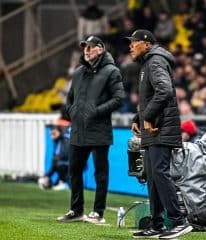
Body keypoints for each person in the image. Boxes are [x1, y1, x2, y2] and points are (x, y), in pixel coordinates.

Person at [126, 29, 193, 239]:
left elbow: (164, 91)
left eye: (134, 42)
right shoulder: (148, 63)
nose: (130, 46)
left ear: (146, 44)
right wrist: (139, 118)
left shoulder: (154, 61)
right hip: (154, 126)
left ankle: (179, 221)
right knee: (153, 176)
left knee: (160, 173)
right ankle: (157, 224)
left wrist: (148, 116)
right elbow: (153, 96)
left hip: (161, 127)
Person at [57, 36, 125, 223]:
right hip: (78, 129)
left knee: (100, 173)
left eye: (91, 47)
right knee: (74, 170)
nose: (86, 50)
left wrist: (96, 111)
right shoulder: (78, 73)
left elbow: (119, 98)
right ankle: (76, 210)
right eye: (85, 47)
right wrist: (72, 111)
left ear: (101, 49)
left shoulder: (112, 71)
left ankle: (98, 213)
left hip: (99, 129)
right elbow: (70, 98)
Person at [38, 124, 70, 191]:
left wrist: (57, 158)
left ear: (59, 132)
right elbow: (55, 161)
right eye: (51, 134)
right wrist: (47, 174)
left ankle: (65, 183)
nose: (52, 136)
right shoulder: (57, 142)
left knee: (59, 164)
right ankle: (58, 182)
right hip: (65, 163)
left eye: (54, 133)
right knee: (57, 164)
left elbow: (66, 155)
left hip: (71, 163)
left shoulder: (65, 141)